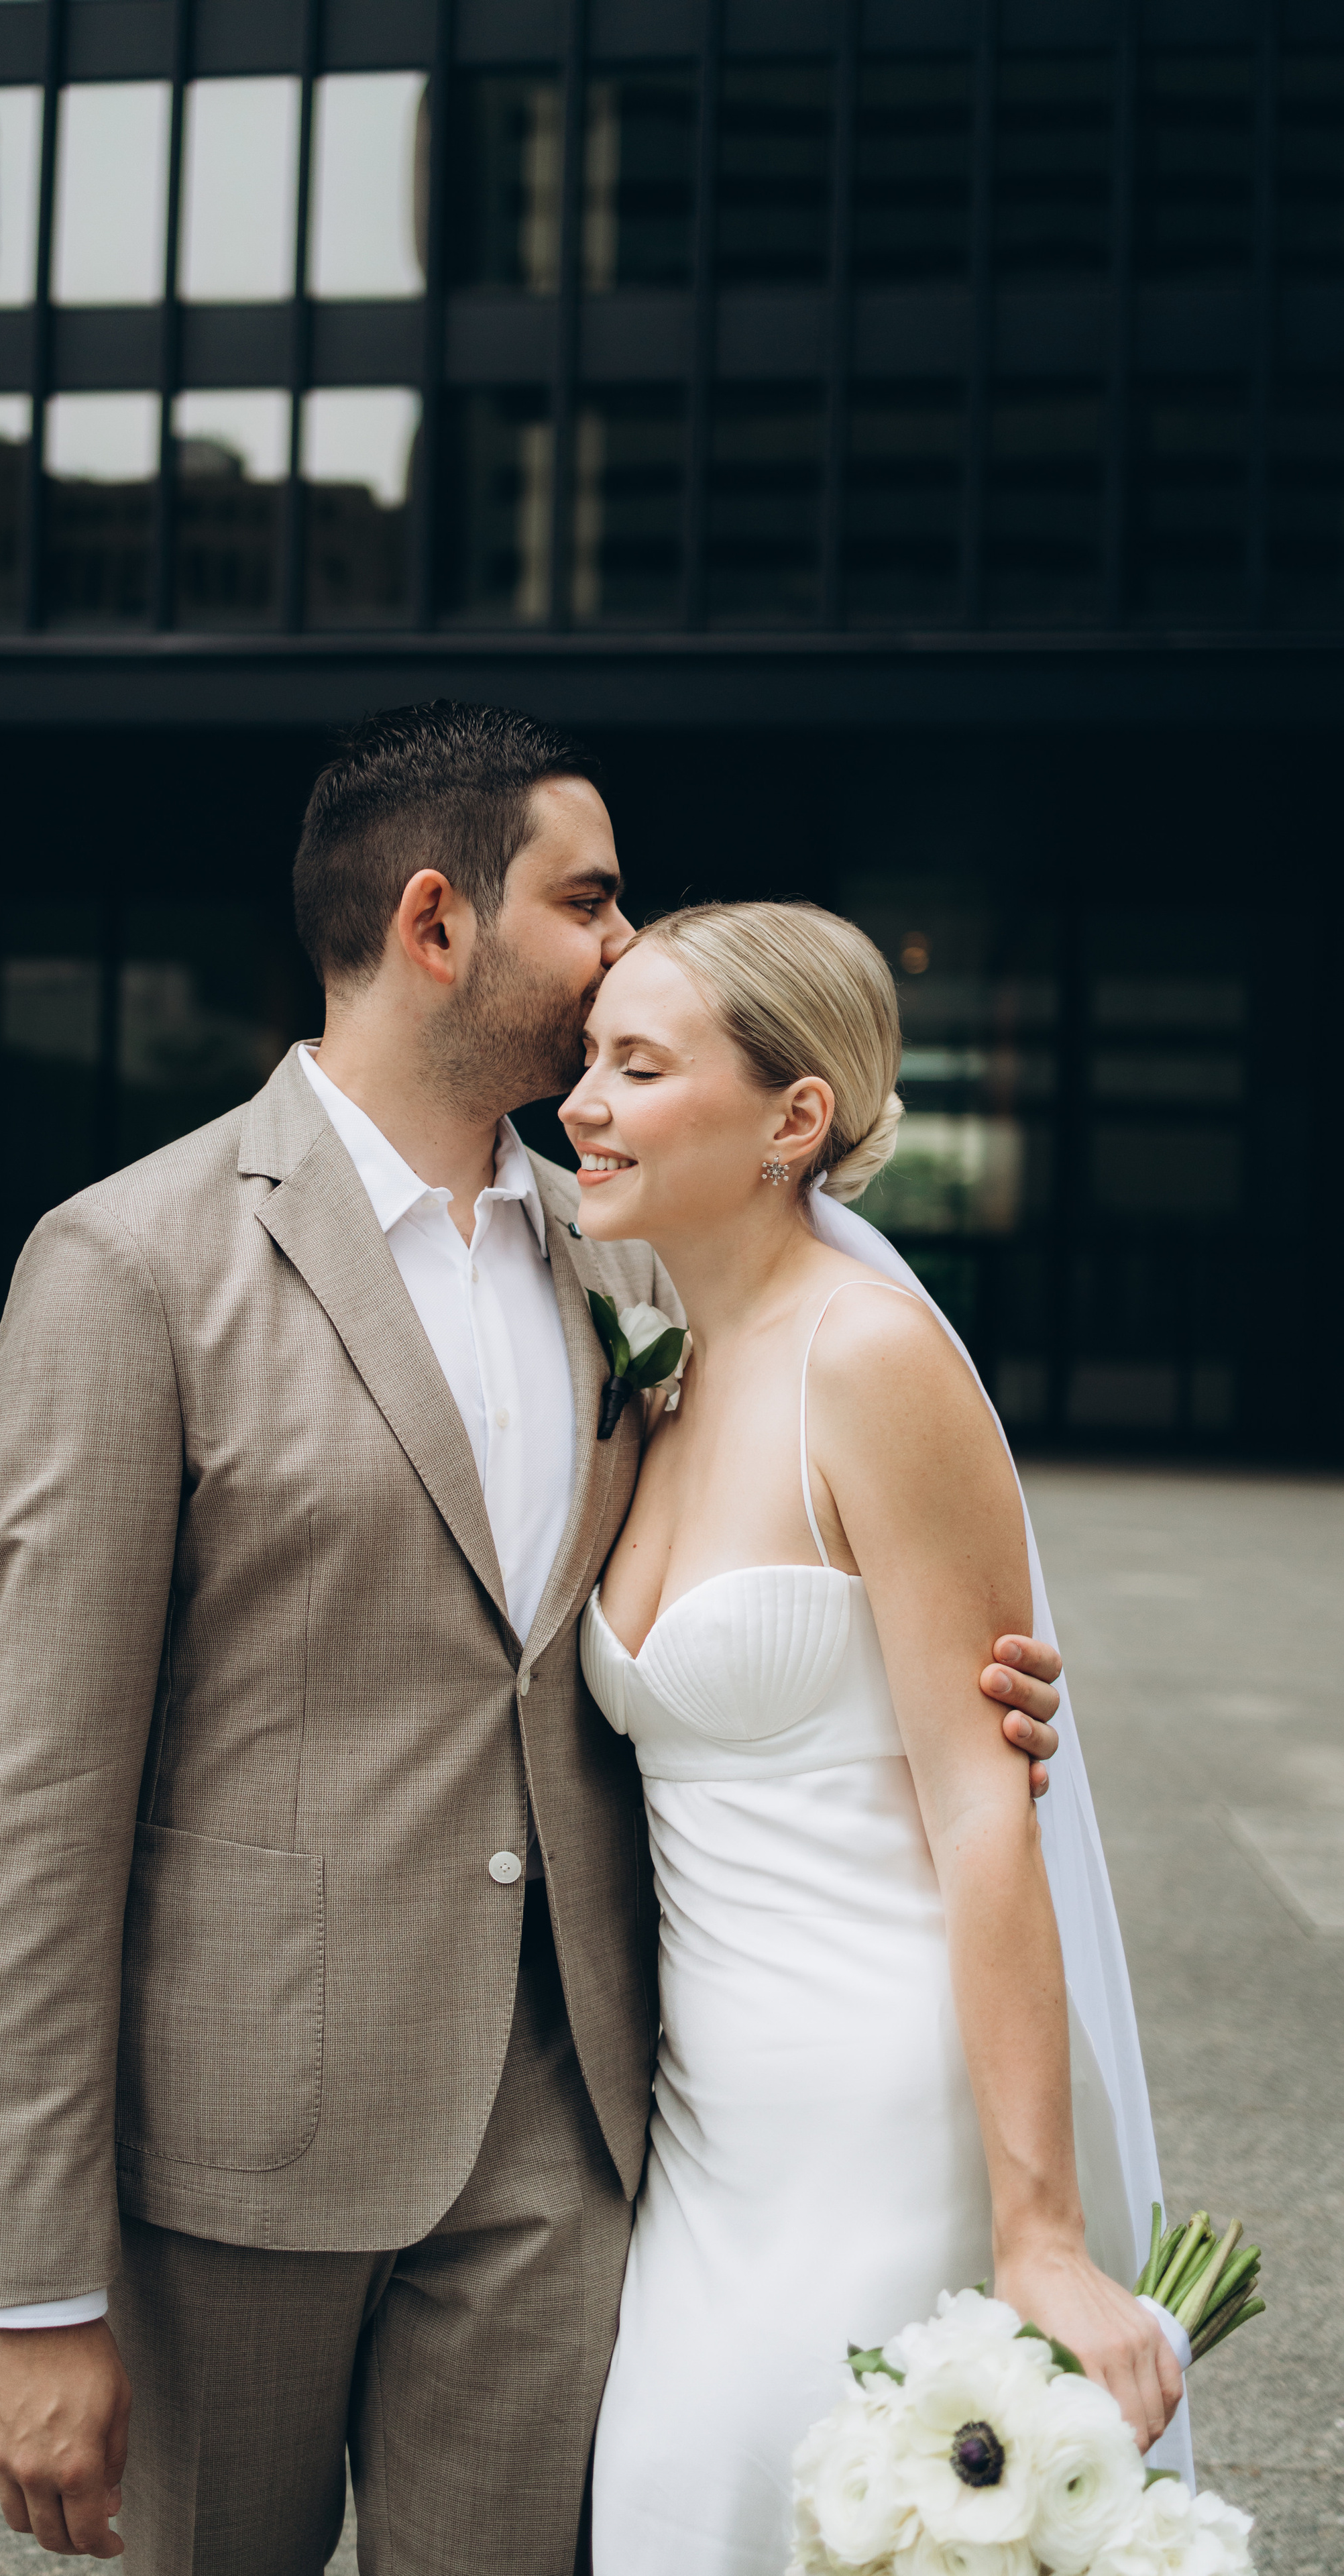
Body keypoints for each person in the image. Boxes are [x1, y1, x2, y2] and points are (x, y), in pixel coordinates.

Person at [0, 705, 1070, 2575]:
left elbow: (813, 1531)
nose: (626, 946)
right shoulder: (130, 1265)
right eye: (590, 901)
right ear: (434, 923)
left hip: (572, 2156)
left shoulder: (635, 1253)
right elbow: (34, 1809)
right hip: (240, 2165)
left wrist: (962, 1682)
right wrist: (32, 2288)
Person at [565, 901, 1185, 2576]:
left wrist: (1039, 2234)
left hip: (880, 2111)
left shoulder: (873, 1359)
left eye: (638, 1066)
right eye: (587, 1058)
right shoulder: (662, 1364)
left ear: (794, 1118)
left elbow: (985, 1816)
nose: (582, 1103)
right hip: (702, 2129)